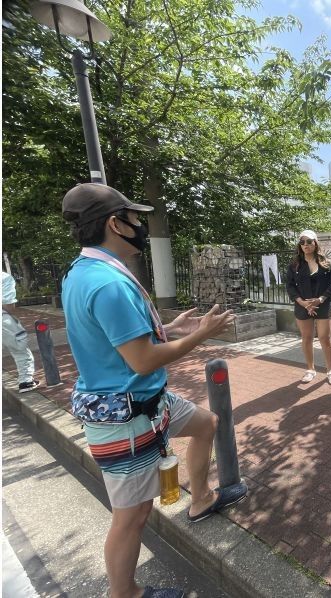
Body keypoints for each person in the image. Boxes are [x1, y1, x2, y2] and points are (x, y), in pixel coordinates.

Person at [60, 183, 246, 598]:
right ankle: (123, 593)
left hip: (149, 401)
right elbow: (142, 360)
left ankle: (199, 499)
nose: (140, 226)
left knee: (205, 423)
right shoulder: (108, 283)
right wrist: (204, 335)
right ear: (114, 223)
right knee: (132, 517)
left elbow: (118, 339)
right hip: (125, 415)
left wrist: (172, 328)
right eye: (134, 218)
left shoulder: (84, 271)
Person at [285, 229, 331, 384]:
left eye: (309, 241)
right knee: (307, 338)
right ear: (299, 245)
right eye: (302, 242)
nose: (306, 245)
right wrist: (302, 302)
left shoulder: (326, 264)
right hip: (302, 305)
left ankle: (330, 370)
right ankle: (310, 369)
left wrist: (321, 299)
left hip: (322, 304)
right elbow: (289, 286)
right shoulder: (295, 265)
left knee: (324, 338)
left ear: (315, 243)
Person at [2, 270, 39, 393]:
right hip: (3, 319)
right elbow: (8, 304)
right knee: (20, 349)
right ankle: (26, 381)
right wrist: (14, 319)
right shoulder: (4, 278)